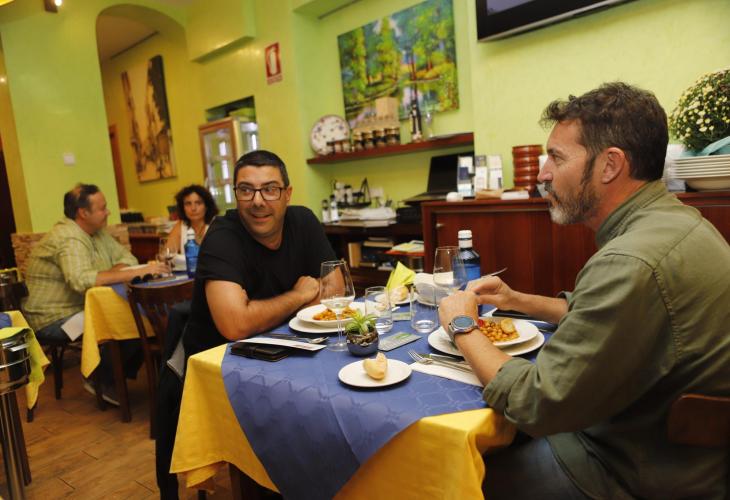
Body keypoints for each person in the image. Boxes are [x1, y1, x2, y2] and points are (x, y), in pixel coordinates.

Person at [438, 83, 730, 499]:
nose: (542, 174)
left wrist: (462, 325)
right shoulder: (679, 222)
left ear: (610, 165)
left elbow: (535, 403)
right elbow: (603, 314)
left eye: (556, 157)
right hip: (673, 453)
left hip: (631, 469)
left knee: (453, 474)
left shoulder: (631, 260)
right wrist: (517, 300)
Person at [156, 150, 336, 498]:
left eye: (270, 189)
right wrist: (299, 295)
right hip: (222, 370)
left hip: (287, 355)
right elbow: (235, 325)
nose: (258, 201)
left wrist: (265, 310)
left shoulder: (303, 221)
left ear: (287, 193)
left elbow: (335, 289)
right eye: (246, 190)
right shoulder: (222, 237)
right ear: (235, 195)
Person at [24, 183, 169, 403]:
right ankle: (100, 379)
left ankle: (113, 377)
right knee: (128, 319)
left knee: (142, 317)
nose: (108, 212)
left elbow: (128, 258)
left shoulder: (97, 233)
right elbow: (81, 280)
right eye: (102, 208)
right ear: (83, 213)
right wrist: (132, 272)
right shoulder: (69, 237)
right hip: (54, 317)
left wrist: (110, 273)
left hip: (83, 307)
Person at [164, 184, 218, 255]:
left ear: (207, 206)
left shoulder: (216, 225)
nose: (193, 208)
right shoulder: (181, 225)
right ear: (182, 207)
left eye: (198, 203)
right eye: (188, 204)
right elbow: (167, 254)